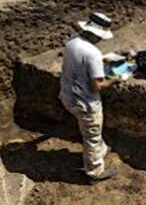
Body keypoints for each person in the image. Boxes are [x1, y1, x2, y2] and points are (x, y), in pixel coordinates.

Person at [59, 13, 119, 183]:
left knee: (91, 130)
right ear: (94, 34)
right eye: (100, 37)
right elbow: (97, 86)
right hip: (85, 103)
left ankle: (101, 149)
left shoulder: (72, 41)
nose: (101, 40)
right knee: (91, 136)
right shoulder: (92, 53)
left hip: (67, 95)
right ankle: (95, 172)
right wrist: (116, 79)